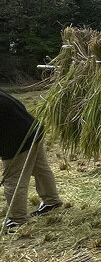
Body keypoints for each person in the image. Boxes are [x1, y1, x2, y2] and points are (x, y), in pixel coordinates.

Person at [1, 88, 62, 233]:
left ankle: (18, 219)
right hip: (32, 129)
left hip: (17, 139)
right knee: (40, 168)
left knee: (13, 179)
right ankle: (52, 201)